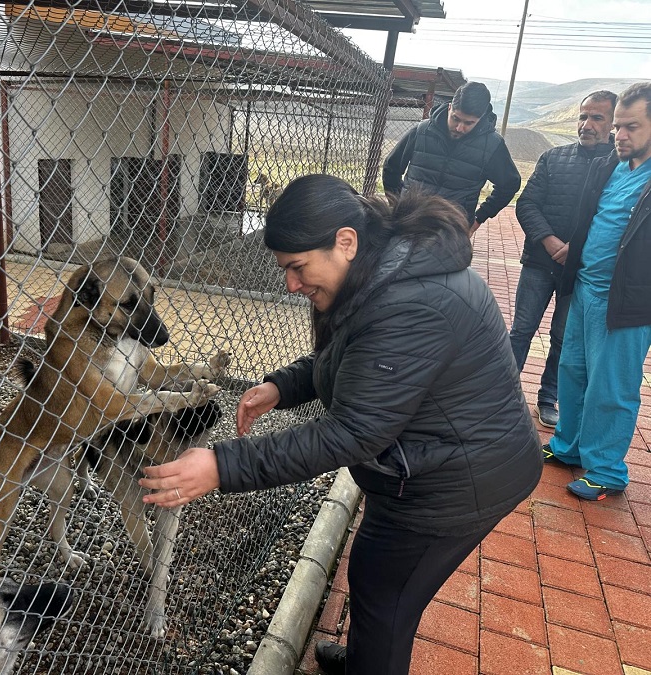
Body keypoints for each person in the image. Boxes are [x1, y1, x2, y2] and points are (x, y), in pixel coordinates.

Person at [140, 175, 542, 675]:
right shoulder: (387, 271)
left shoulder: (411, 303)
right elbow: (357, 363)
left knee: (385, 598)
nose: (290, 284)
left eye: (297, 267)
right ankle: (362, 657)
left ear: (345, 242)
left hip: (460, 482)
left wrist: (222, 465)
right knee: (376, 577)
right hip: (431, 458)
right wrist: (284, 386)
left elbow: (353, 431)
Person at [543, 82, 651, 501]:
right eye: (619, 126)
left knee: (613, 386)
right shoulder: (609, 166)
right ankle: (568, 446)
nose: (619, 135)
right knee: (573, 371)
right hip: (586, 289)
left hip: (627, 303)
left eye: (632, 128)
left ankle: (607, 470)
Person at [510, 91, 617, 429]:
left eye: (597, 118)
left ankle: (547, 398)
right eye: (583, 116)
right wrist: (551, 241)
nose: (587, 124)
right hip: (540, 263)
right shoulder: (553, 158)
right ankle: (503, 392)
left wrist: (578, 248)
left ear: (614, 123)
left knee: (562, 338)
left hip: (583, 272)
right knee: (521, 330)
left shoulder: (621, 169)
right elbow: (527, 204)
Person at [383, 81, 521, 235]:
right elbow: (391, 167)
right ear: (449, 108)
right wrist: (399, 205)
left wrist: (478, 218)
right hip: (409, 222)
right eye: (455, 119)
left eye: (469, 123)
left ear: (481, 118)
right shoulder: (422, 131)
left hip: (452, 231)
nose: (460, 128)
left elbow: (510, 184)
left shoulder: (493, 145)